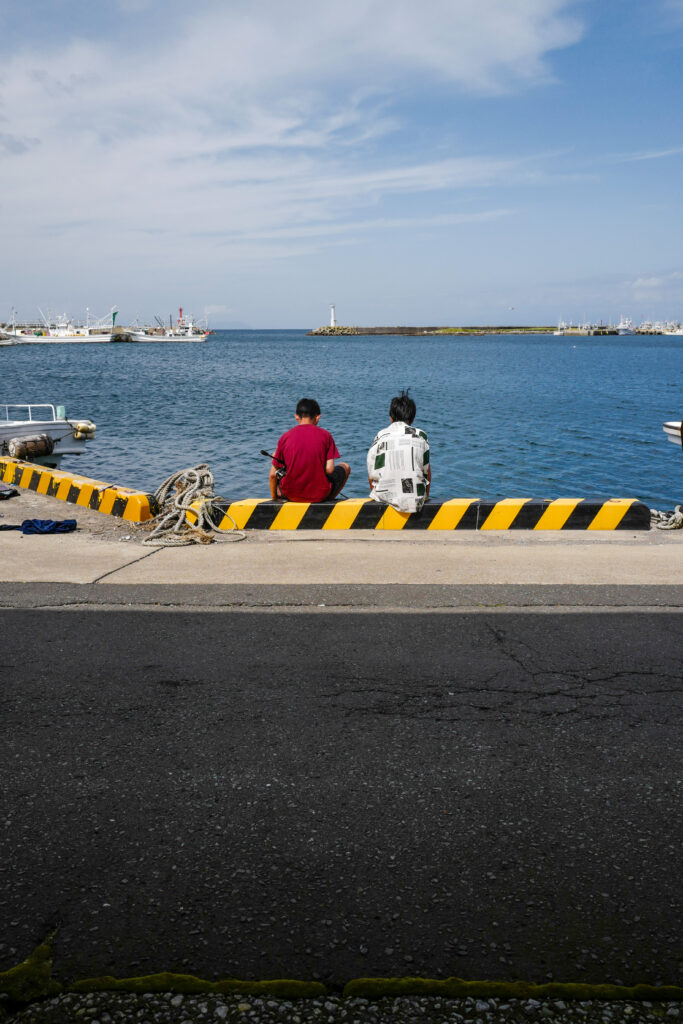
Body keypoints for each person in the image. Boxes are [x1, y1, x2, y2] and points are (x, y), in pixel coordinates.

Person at [270, 398, 351, 502]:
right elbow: (329, 470)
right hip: (319, 495)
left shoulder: (285, 437)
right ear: (317, 417)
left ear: (296, 417)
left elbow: (272, 475)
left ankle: (279, 496)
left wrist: (274, 499)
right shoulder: (326, 435)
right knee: (345, 467)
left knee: (277, 465)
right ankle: (329, 500)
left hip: (290, 495)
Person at [367, 390, 431, 513]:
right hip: (415, 502)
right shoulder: (420, 435)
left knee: (376, 464)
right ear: (412, 419)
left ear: (391, 418)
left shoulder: (380, 436)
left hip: (383, 499)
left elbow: (372, 473)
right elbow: (425, 471)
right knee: (425, 464)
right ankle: (424, 497)